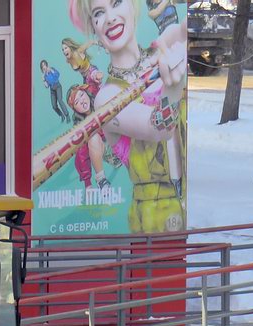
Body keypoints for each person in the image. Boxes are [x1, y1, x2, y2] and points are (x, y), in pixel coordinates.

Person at [70, 0, 187, 233]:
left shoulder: (159, 52)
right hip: (154, 217)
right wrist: (173, 89)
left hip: (186, 207)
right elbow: (160, 127)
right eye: (99, 13)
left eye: (117, 3)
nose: (111, 18)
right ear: (94, 28)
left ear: (132, 7)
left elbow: (183, 32)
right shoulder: (107, 98)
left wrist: (181, 34)